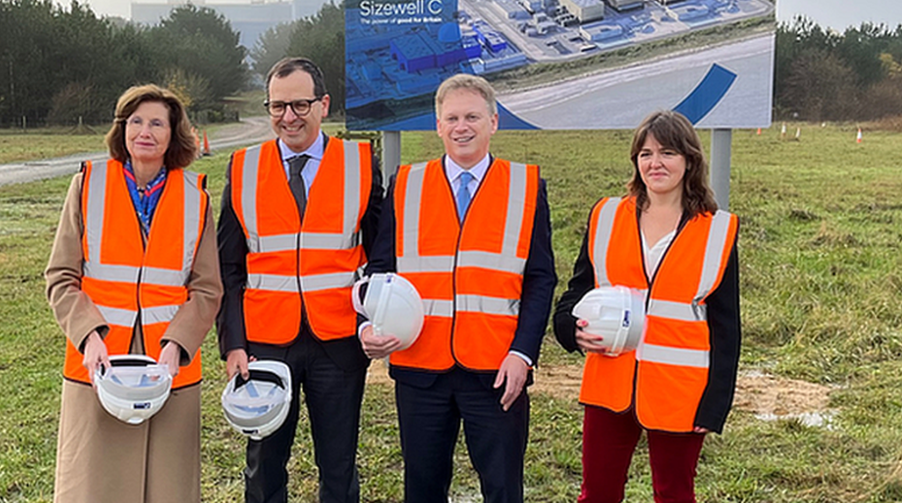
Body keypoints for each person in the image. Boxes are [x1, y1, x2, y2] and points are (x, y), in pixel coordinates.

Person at [361, 73, 557, 503]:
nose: (461, 127)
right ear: (437, 125)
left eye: (471, 116)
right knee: (423, 488)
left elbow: (541, 278)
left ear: (494, 121)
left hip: (496, 369)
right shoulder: (406, 184)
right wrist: (368, 327)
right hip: (419, 368)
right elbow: (379, 268)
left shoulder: (526, 187)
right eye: (451, 118)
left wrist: (522, 355)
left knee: (503, 489)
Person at [216, 57, 383, 503]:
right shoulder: (243, 167)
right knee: (265, 464)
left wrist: (377, 319)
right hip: (266, 342)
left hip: (340, 338)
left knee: (338, 464)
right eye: (277, 106)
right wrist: (233, 341)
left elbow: (383, 255)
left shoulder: (361, 162)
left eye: (300, 105)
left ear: (324, 104)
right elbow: (228, 266)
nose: (289, 117)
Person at [45, 84, 223, 503]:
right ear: (121, 129)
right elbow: (60, 277)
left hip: (168, 368)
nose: (145, 131)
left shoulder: (195, 197)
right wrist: (89, 336)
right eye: (135, 121)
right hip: (99, 362)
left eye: (157, 122)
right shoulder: (87, 185)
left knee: (169, 486)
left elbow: (207, 287)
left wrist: (176, 346)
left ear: (174, 132)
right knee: (94, 485)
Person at [553, 110, 740, 503]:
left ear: (689, 159)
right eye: (646, 153)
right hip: (610, 384)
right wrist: (570, 328)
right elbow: (574, 294)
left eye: (668, 152)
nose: (655, 163)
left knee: (674, 494)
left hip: (680, 392)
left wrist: (714, 406)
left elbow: (726, 328)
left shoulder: (717, 229)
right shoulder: (606, 216)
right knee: (597, 494)